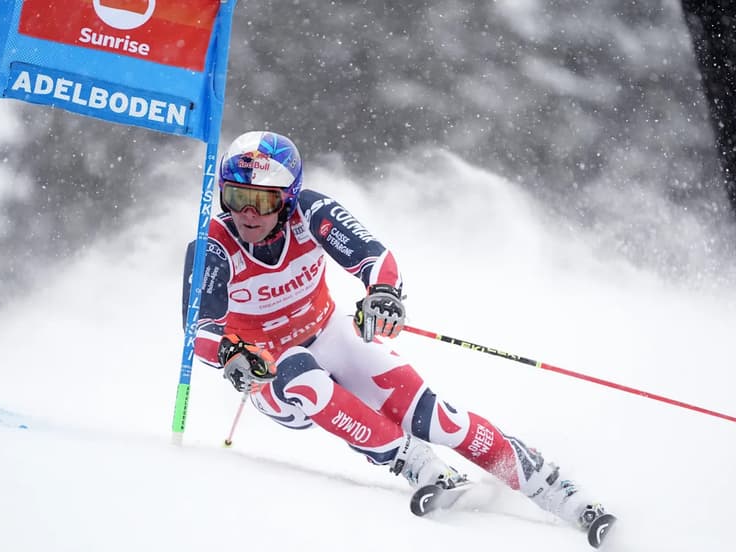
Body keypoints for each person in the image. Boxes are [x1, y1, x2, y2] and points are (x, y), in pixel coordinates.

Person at [181, 130, 613, 541]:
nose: (248, 213)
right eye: (236, 197)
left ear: (289, 198)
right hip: (268, 372)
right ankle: (416, 464)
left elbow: (375, 257)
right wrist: (231, 354)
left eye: (262, 200)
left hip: (330, 334)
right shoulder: (213, 244)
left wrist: (383, 294)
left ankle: (554, 488)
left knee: (433, 417)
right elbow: (198, 330)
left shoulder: (309, 213)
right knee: (300, 373)